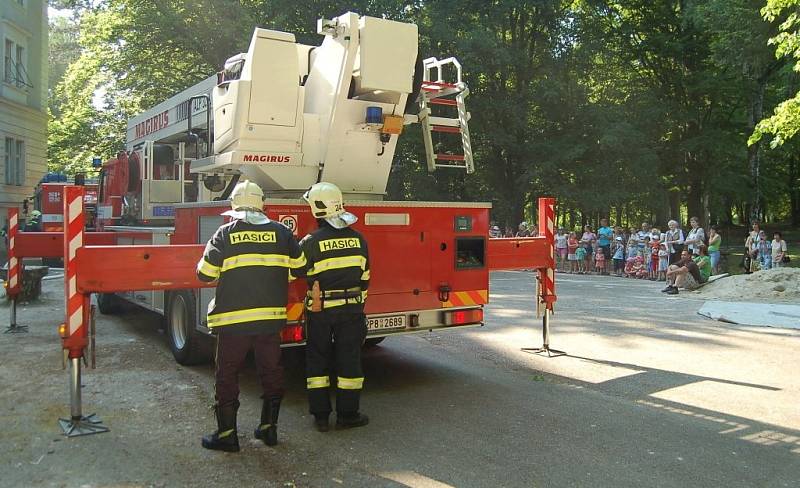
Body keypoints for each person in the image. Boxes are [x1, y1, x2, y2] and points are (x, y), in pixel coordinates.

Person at [196, 180, 306, 452]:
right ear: (262, 204)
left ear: (234, 205)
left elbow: (205, 274)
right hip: (270, 319)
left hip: (232, 322)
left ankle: (227, 434)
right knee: (271, 371)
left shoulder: (225, 233)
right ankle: (269, 430)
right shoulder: (282, 233)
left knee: (227, 374)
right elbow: (299, 269)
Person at [299, 182, 370, 432]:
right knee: (349, 361)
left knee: (317, 361)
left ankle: (320, 417)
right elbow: (365, 279)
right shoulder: (359, 240)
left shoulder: (310, 242)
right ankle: (348, 415)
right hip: (351, 311)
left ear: (317, 209)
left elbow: (296, 271)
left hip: (319, 311)